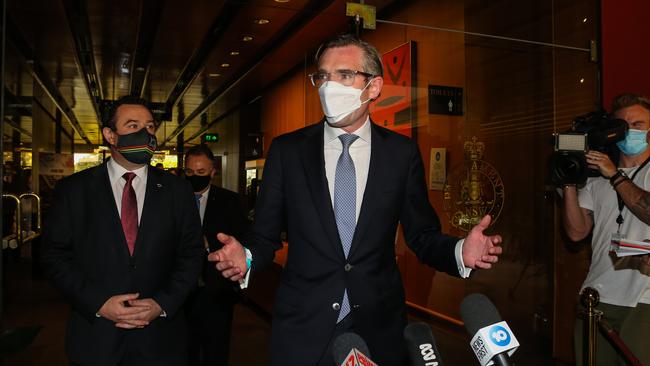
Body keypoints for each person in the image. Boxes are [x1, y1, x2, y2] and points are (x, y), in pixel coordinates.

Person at [209, 34, 503, 365]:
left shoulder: (400, 154)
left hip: (378, 326)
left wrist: (458, 251)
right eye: (322, 76)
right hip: (303, 328)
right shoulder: (288, 151)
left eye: (344, 75)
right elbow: (265, 234)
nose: (328, 86)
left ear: (374, 87)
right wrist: (245, 256)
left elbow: (422, 235)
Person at [41, 95, 204, 366]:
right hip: (95, 340)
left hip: (161, 341)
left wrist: (162, 304)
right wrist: (99, 303)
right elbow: (54, 256)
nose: (145, 134)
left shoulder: (177, 190)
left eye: (150, 127)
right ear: (110, 135)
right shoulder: (74, 190)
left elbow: (191, 254)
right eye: (132, 125)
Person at [563, 93, 650, 365]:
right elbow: (577, 232)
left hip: (644, 300)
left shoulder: (609, 172)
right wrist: (568, 181)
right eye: (623, 125)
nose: (630, 130)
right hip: (597, 296)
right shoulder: (596, 176)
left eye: (639, 124)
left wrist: (614, 175)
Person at [183, 144, 247, 366]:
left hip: (216, 292)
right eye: (190, 172)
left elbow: (242, 241)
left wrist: (209, 244)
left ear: (212, 172)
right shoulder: (174, 198)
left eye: (201, 173)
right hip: (180, 294)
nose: (195, 177)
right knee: (183, 351)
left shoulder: (230, 201)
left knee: (216, 352)